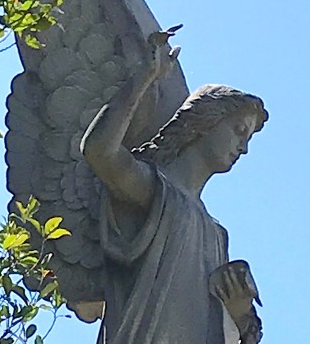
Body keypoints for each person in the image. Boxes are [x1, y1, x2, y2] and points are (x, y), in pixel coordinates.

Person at [81, 28, 268, 343]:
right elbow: (99, 151)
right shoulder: (156, 191)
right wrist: (145, 77)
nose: (244, 148)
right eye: (238, 130)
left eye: (248, 138)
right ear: (206, 121)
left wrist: (237, 317)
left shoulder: (216, 236)